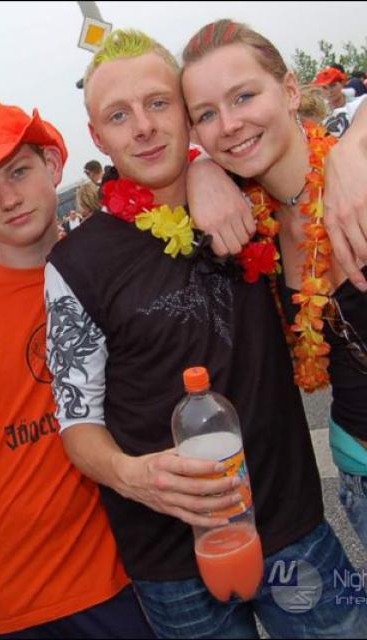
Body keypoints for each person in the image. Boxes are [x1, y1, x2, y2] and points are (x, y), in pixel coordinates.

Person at [44, 28, 366, 639]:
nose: (144, 127)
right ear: (97, 136)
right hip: (171, 562)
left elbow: (308, 148)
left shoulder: (250, 191)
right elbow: (74, 417)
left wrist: (207, 169)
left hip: (294, 527)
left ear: (185, 115)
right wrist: (131, 475)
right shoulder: (75, 263)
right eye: (119, 115)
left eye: (158, 103)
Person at [0, 98, 154, 639]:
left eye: (19, 171)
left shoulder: (109, 266)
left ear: (52, 164)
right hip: (12, 590)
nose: (8, 199)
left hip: (121, 568)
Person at [181, 19, 367, 549]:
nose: (229, 124)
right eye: (207, 115)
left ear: (289, 90)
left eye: (244, 96)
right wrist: (199, 171)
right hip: (358, 470)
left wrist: (356, 143)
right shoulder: (244, 225)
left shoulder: (357, 167)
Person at [311, 65, 367, 137]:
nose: (330, 91)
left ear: (342, 83)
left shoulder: (359, 104)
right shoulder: (320, 115)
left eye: (333, 85)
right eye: (325, 87)